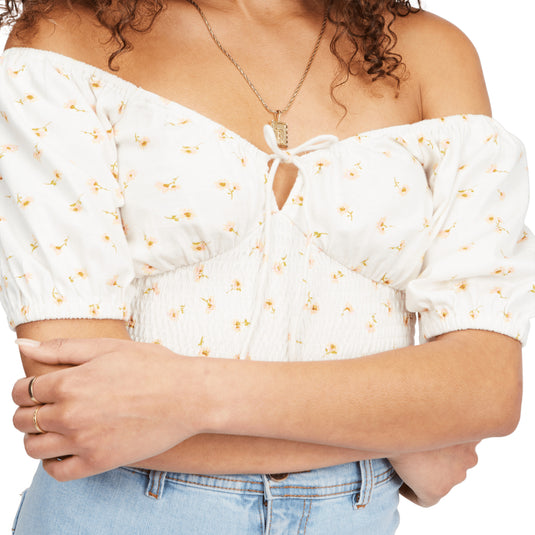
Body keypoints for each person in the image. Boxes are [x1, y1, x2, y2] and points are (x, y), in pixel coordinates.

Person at [1, 1, 533, 533]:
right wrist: (405, 430)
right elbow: (83, 410)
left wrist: (187, 397)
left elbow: (485, 388)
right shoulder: (65, 37)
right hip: (117, 513)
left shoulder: (429, 52)